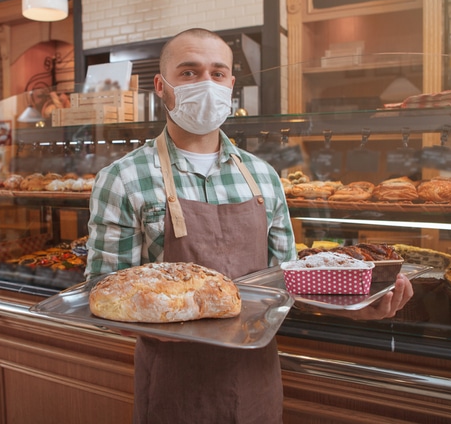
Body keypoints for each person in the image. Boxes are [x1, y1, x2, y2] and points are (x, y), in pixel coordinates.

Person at [86, 28, 414, 424]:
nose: (206, 83)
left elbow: (289, 284)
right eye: (189, 73)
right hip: (174, 388)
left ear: (231, 85)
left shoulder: (264, 177)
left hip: (257, 379)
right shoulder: (122, 178)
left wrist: (352, 307)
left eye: (217, 73)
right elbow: (105, 294)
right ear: (161, 85)